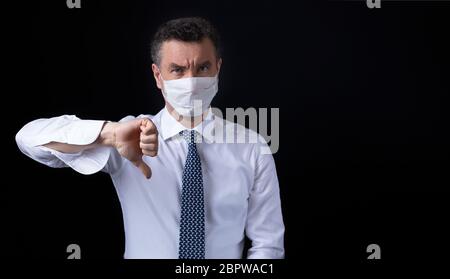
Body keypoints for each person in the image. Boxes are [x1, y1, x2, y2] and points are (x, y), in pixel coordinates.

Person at [15, 17, 285, 259]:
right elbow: (28, 139)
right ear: (158, 76)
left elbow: (267, 244)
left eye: (202, 68)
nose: (191, 82)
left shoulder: (251, 146)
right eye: (177, 70)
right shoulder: (129, 137)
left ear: (218, 68)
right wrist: (108, 135)